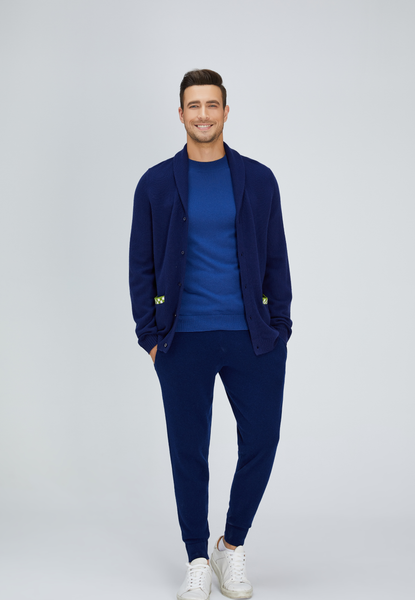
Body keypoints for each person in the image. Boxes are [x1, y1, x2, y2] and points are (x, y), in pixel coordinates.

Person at [129, 69, 292, 600]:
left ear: (225, 111)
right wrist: (150, 338)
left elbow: (275, 258)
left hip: (253, 338)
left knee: (261, 441)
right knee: (189, 452)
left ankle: (231, 545)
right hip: (182, 340)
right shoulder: (156, 183)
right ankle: (197, 558)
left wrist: (280, 327)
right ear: (181, 114)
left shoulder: (258, 179)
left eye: (212, 105)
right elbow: (141, 265)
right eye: (194, 106)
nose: (203, 115)